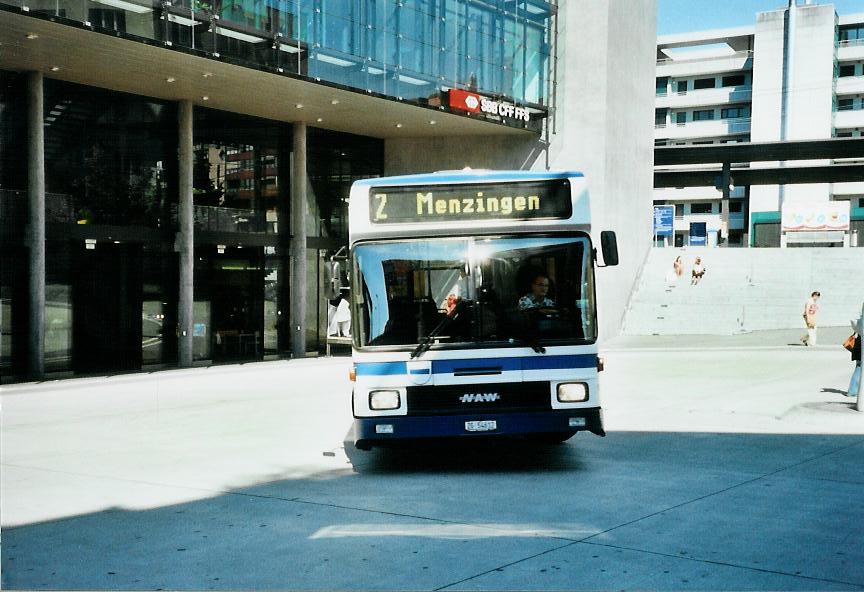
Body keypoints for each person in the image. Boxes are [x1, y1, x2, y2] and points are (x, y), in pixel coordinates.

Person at [847, 317, 862, 398]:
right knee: (859, 368)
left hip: (858, 347)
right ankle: (852, 390)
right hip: (861, 349)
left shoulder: (860, 321)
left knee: (859, 368)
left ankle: (852, 390)